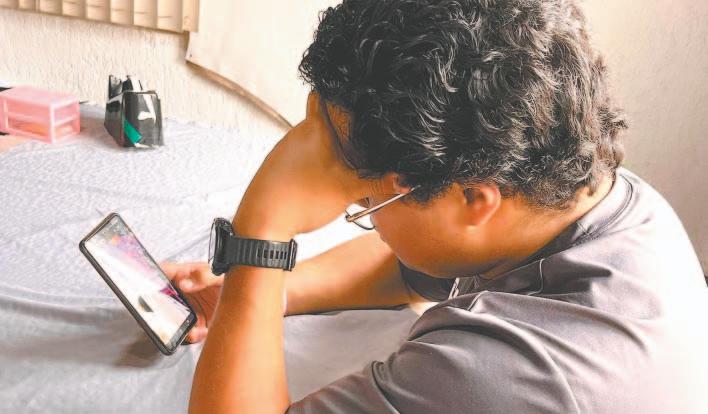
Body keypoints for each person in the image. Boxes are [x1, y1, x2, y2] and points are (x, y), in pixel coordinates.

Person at [161, 0, 708, 412]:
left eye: (367, 201)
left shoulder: (498, 373)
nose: (369, 218)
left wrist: (261, 233)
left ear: (472, 199)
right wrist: (259, 296)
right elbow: (416, 267)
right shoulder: (607, 197)